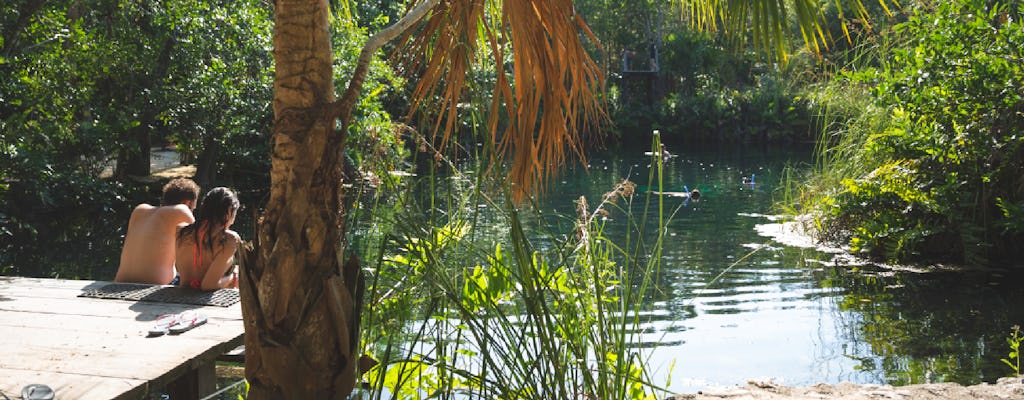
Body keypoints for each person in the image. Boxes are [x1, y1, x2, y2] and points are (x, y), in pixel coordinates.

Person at [115, 178, 200, 285]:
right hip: (154, 285)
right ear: (187, 203)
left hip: (121, 281)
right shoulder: (181, 210)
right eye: (193, 208)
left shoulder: (139, 210)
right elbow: (201, 246)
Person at [174, 187, 241, 290]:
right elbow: (208, 286)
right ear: (230, 212)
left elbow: (178, 268)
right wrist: (232, 278)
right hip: (204, 299)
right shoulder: (229, 239)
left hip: (182, 291)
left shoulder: (181, 231)